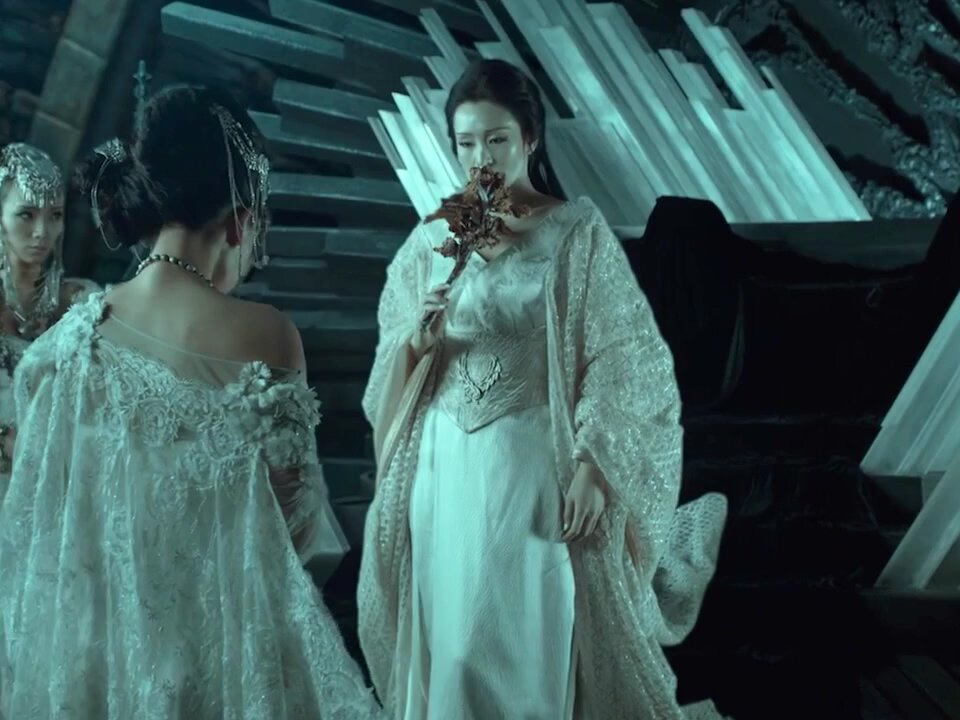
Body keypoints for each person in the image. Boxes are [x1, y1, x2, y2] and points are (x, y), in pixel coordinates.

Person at [358, 58, 730, 719]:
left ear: (530, 138)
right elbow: (394, 353)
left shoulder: (574, 232)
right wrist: (417, 337)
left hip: (528, 458)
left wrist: (593, 464)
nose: (481, 158)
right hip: (443, 464)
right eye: (466, 143)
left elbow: (621, 356)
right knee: (450, 648)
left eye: (496, 139)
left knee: (513, 637)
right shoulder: (436, 235)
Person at [0, 85, 382, 719]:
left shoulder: (64, 346)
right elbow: (297, 531)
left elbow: (45, 541)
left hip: (101, 668)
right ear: (239, 218)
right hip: (222, 666)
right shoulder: (266, 335)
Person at [0, 143, 98, 485]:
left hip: (55, 481)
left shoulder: (82, 303)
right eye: (27, 214)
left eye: (54, 215)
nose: (42, 232)